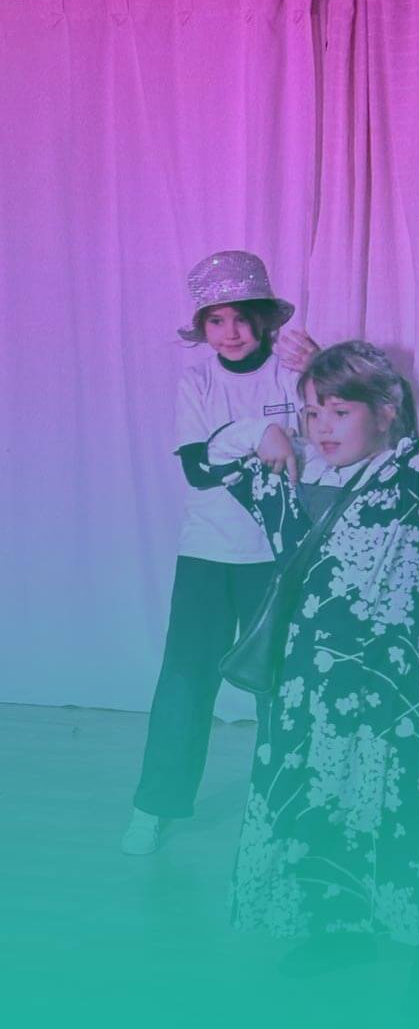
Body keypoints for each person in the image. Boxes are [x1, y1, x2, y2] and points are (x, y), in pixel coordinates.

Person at [201, 289, 419, 1002]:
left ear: (386, 413)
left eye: (340, 412)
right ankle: (336, 930)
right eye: (312, 413)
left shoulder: (411, 481)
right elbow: (208, 458)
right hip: (299, 689)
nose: (321, 427)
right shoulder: (289, 482)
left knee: (394, 813)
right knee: (312, 805)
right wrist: (263, 430)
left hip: (383, 691)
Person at [121, 251, 316, 856]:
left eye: (241, 318)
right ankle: (155, 806)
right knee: (185, 680)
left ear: (264, 319)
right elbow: (197, 468)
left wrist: (323, 373)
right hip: (207, 555)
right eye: (216, 320)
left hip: (278, 557)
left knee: (280, 685)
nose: (230, 332)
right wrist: (262, 433)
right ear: (202, 327)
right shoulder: (198, 382)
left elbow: (334, 444)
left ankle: (287, 808)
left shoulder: (293, 374)